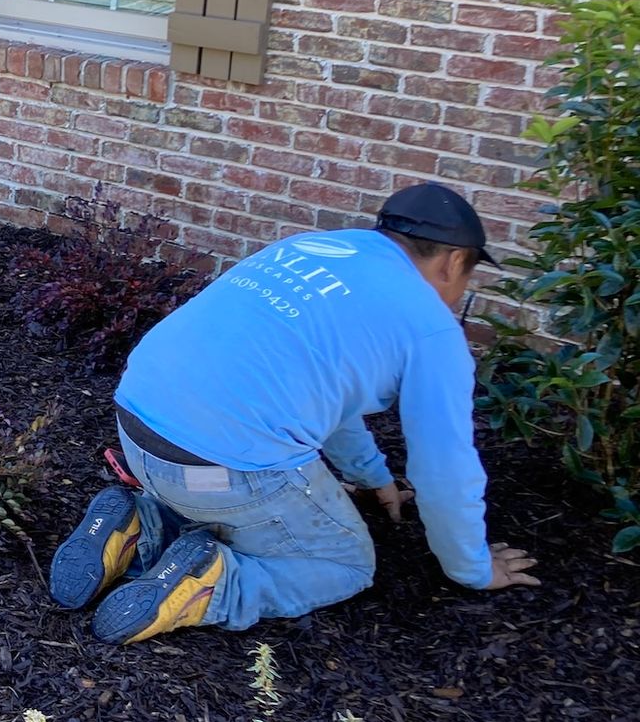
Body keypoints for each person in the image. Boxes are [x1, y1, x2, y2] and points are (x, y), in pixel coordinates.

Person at [49, 182, 541, 645]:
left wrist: (372, 477)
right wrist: (471, 568)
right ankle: (214, 582)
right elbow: (444, 468)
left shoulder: (307, 249)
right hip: (223, 472)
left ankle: (138, 527)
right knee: (347, 563)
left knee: (221, 473)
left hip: (139, 433)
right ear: (455, 262)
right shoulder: (431, 328)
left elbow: (327, 394)